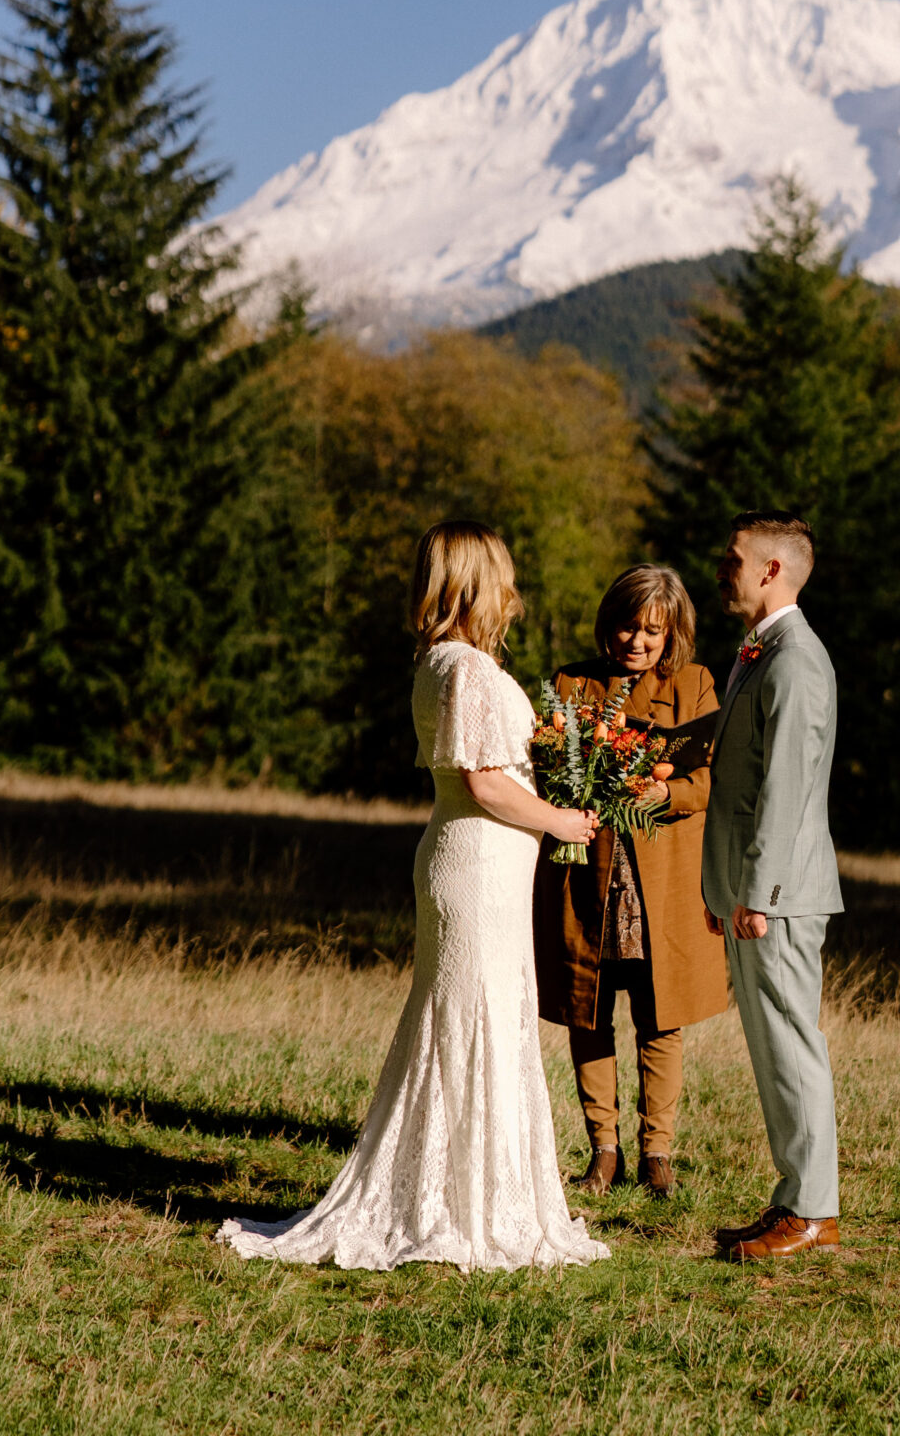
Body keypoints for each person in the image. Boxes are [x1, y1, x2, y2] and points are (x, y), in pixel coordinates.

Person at [216, 522, 608, 1274]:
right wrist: (560, 817)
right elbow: (483, 780)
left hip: (481, 861)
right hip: (475, 863)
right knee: (469, 1016)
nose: (512, 594)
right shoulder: (464, 670)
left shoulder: (447, 662)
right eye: (502, 578)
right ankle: (456, 1202)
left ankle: (472, 1189)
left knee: (474, 1014)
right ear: (474, 583)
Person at [533, 565, 729, 1197]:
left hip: (661, 884)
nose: (637, 642)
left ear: (674, 633)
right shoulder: (571, 683)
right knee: (587, 1013)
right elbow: (544, 769)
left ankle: (657, 1154)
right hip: (588, 877)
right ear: (606, 623)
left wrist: (663, 790)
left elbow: (709, 781)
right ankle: (603, 1152)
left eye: (652, 631)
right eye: (626, 626)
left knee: (660, 1017)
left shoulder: (696, 685)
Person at [703, 511, 843, 1263]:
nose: (722, 568)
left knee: (791, 1046)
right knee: (771, 1045)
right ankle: (795, 1196)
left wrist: (755, 894)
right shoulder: (759, 651)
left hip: (780, 893)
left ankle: (814, 1211)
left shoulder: (793, 660)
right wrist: (721, 886)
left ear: (770, 570)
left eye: (733, 559)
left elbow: (784, 791)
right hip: (753, 889)